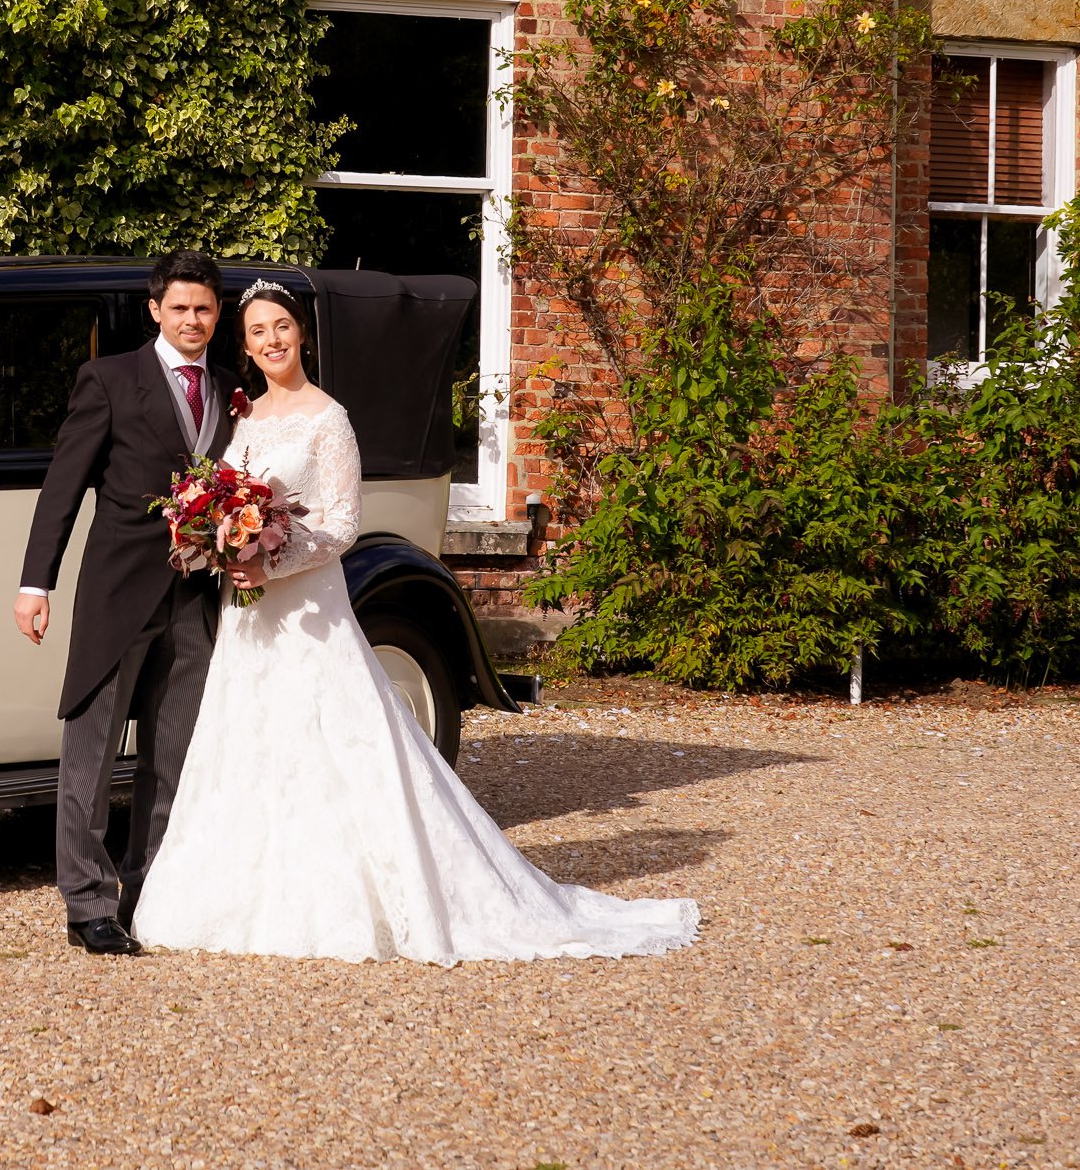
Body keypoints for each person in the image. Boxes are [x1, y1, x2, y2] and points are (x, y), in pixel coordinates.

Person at [130, 280, 702, 964]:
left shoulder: (328, 418)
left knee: (336, 742)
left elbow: (342, 527)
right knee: (249, 742)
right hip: (250, 619)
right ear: (245, 345)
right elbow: (223, 500)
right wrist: (214, 541)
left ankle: (350, 900)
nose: (270, 340)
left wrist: (268, 562)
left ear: (302, 333)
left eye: (281, 326)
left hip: (310, 609)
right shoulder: (244, 420)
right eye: (256, 331)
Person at [16, 250, 244, 956]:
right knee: (91, 747)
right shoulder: (109, 378)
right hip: (117, 592)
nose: (192, 320)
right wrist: (35, 582)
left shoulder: (234, 391)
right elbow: (64, 486)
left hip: (196, 597)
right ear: (155, 310)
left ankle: (147, 893)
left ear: (217, 313)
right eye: (179, 308)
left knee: (172, 755)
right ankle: (86, 903)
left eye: (203, 308)